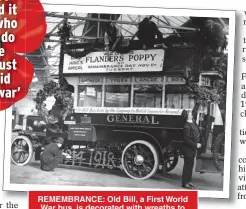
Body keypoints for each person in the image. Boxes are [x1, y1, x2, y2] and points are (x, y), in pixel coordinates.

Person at [181, 109, 203, 189]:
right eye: (190, 113)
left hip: (192, 150)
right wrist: (196, 145)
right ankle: (184, 183)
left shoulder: (193, 123)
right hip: (188, 149)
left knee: (190, 166)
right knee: (187, 166)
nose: (191, 114)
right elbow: (186, 139)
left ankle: (189, 181)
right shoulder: (186, 126)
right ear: (187, 116)